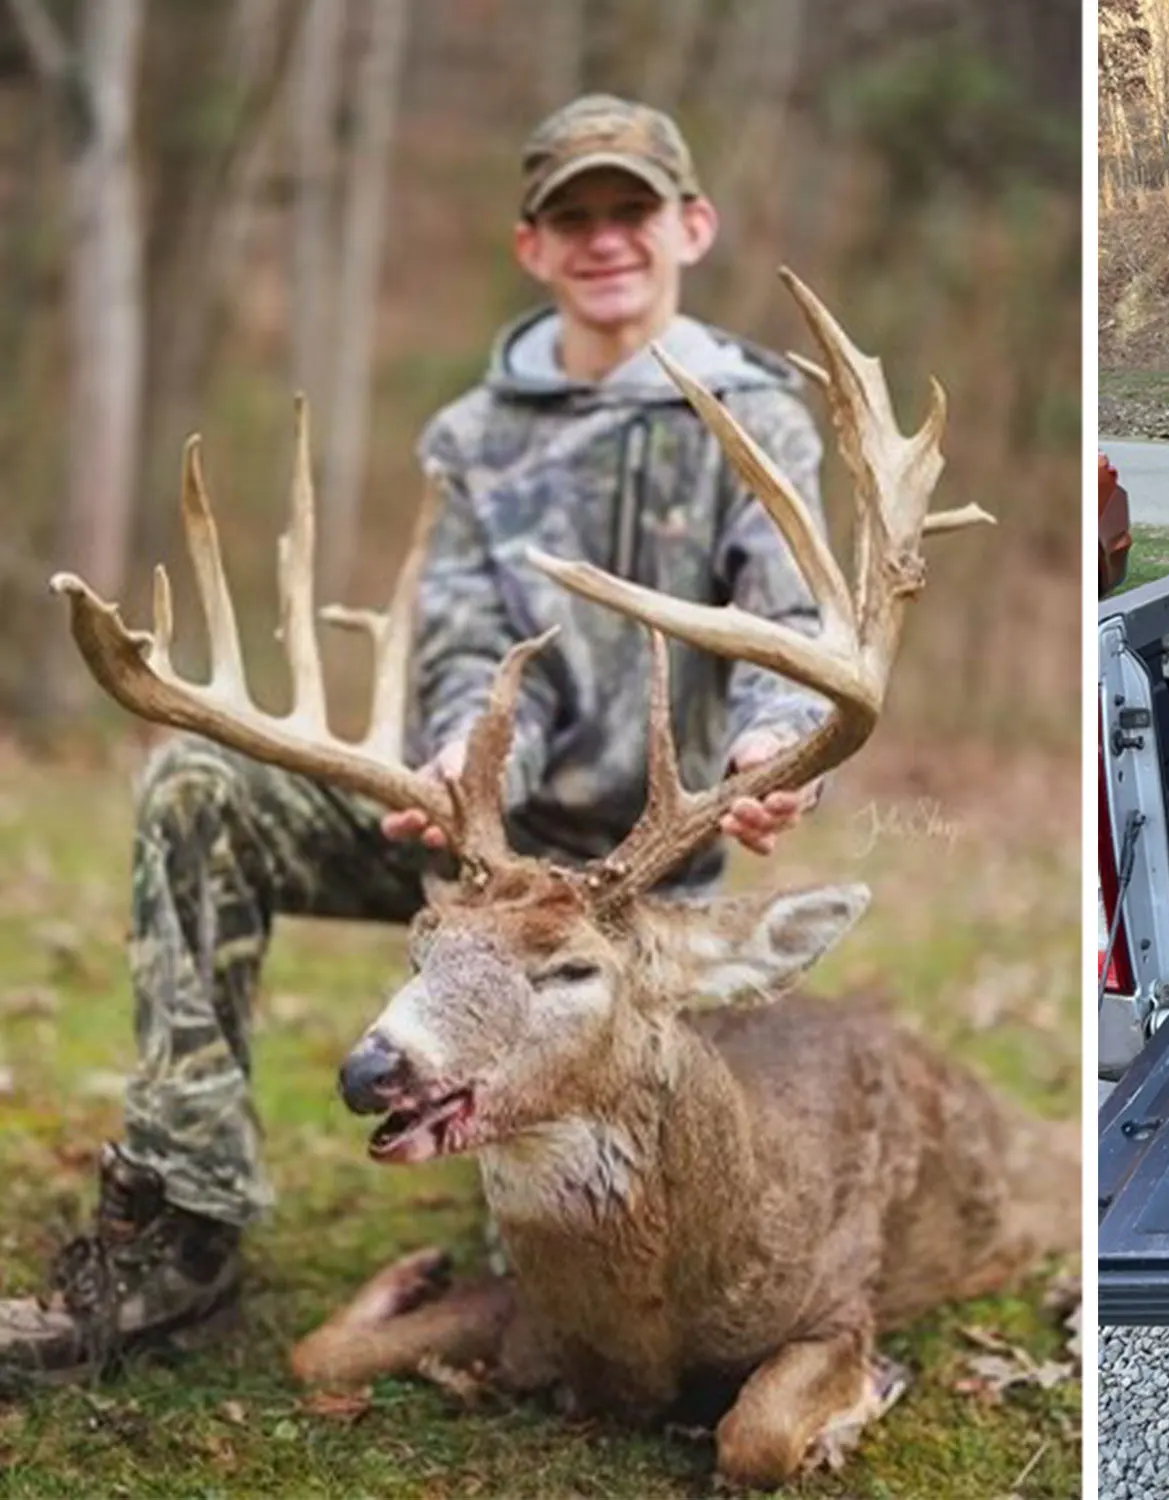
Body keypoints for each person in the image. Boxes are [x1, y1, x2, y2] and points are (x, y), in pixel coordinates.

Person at [0, 94, 833, 1386]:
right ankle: (186, 1214)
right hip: (485, 845)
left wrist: (770, 757)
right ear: (533, 247)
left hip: (637, 881)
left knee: (636, 1206)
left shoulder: (754, 421)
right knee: (197, 790)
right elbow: (455, 637)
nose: (606, 239)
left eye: (633, 212)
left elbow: (790, 623)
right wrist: (456, 752)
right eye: (576, 219)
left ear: (692, 226)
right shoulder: (477, 438)